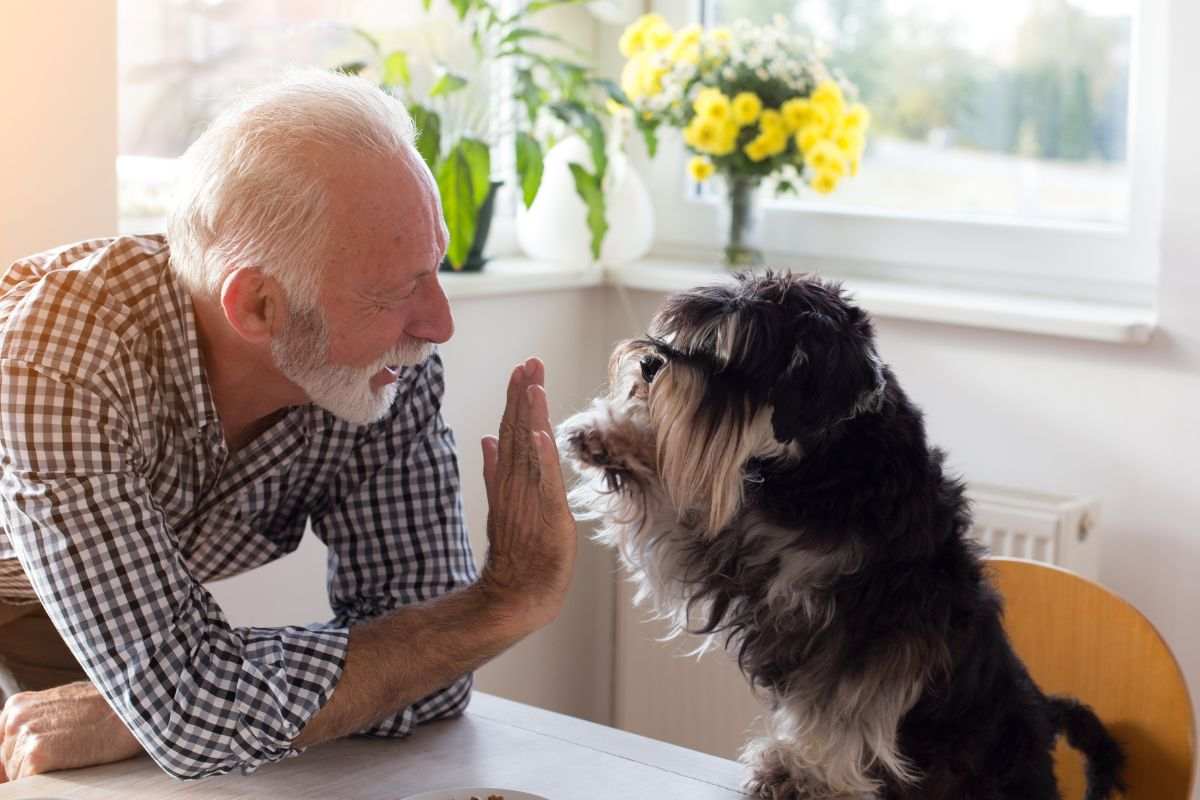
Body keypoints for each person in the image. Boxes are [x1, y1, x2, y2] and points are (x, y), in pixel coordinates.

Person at [0, 69, 577, 782]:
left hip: (82, 586)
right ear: (259, 308)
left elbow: (434, 673)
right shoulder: (62, 355)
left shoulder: (386, 369)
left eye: (433, 269)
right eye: (397, 291)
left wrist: (164, 702)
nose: (439, 325)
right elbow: (195, 715)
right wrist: (505, 601)